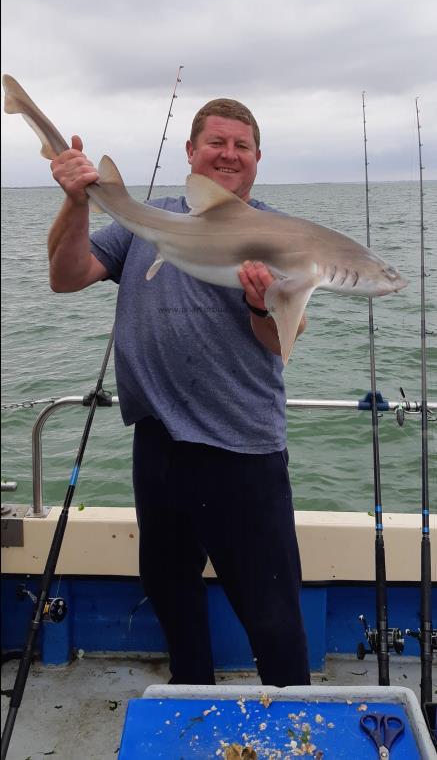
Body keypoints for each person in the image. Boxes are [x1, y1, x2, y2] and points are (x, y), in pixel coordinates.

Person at [48, 97, 310, 687]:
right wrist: (76, 202)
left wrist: (257, 301)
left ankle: (295, 718)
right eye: (216, 142)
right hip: (158, 443)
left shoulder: (275, 235)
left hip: (244, 452)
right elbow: (66, 277)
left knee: (273, 617)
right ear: (190, 152)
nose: (228, 154)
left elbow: (281, 342)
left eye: (242, 146)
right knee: (171, 593)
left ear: (258, 159)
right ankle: (191, 698)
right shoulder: (148, 220)